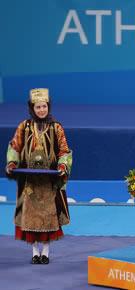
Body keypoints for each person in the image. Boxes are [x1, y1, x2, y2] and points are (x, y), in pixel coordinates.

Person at [5, 88, 72, 265]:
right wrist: (12, 163)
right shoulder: (24, 127)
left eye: (44, 106)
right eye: (38, 107)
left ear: (48, 107)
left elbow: (64, 151)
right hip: (30, 182)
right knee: (31, 218)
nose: (41, 110)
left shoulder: (56, 127)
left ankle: (46, 252)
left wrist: (63, 165)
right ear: (32, 108)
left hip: (49, 181)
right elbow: (14, 147)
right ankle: (35, 252)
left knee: (49, 218)